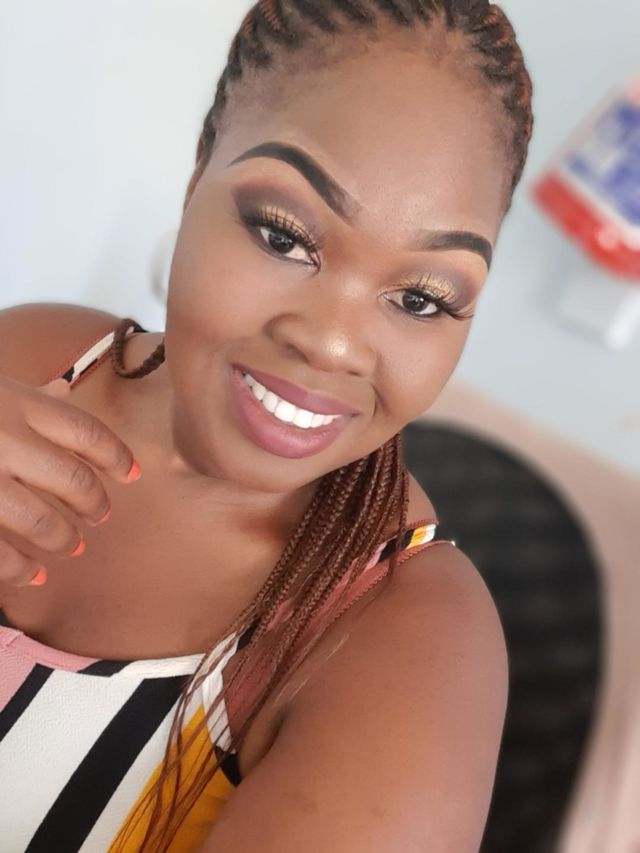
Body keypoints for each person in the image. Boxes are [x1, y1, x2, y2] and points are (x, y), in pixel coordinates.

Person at [0, 1, 533, 850]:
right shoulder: (37, 355)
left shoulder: (413, 643)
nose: (332, 342)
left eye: (420, 297)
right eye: (284, 237)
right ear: (197, 174)